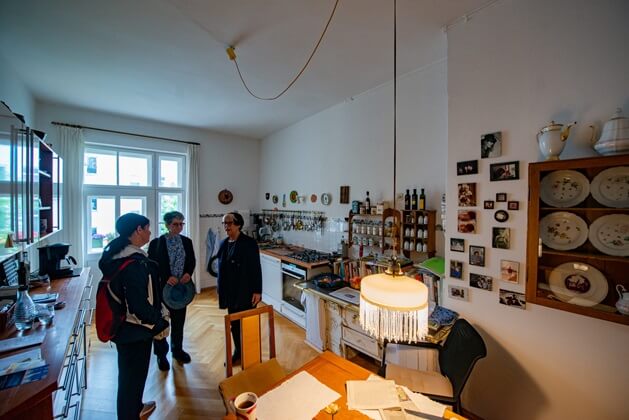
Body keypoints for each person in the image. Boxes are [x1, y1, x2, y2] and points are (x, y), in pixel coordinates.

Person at [98, 213, 168, 420]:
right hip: (136, 331)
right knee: (132, 379)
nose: (150, 232)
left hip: (123, 329)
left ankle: (135, 408)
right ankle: (130, 414)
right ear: (138, 230)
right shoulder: (135, 264)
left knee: (129, 377)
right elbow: (138, 307)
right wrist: (160, 321)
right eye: (147, 227)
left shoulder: (116, 256)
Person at [148, 211, 196, 371]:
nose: (179, 227)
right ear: (167, 225)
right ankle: (161, 355)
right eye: (175, 224)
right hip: (162, 289)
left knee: (179, 321)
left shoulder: (187, 242)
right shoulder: (156, 243)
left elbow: (192, 261)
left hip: (181, 289)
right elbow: (152, 265)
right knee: (161, 323)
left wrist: (188, 273)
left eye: (181, 223)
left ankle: (177, 350)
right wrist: (166, 276)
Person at [216, 212, 262, 364]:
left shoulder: (249, 243)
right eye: (224, 223)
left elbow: (256, 268)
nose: (226, 226)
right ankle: (238, 352)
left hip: (245, 290)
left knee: (248, 324)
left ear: (238, 224)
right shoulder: (223, 243)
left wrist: (257, 290)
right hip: (230, 292)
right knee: (234, 324)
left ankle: (251, 354)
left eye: (229, 223)